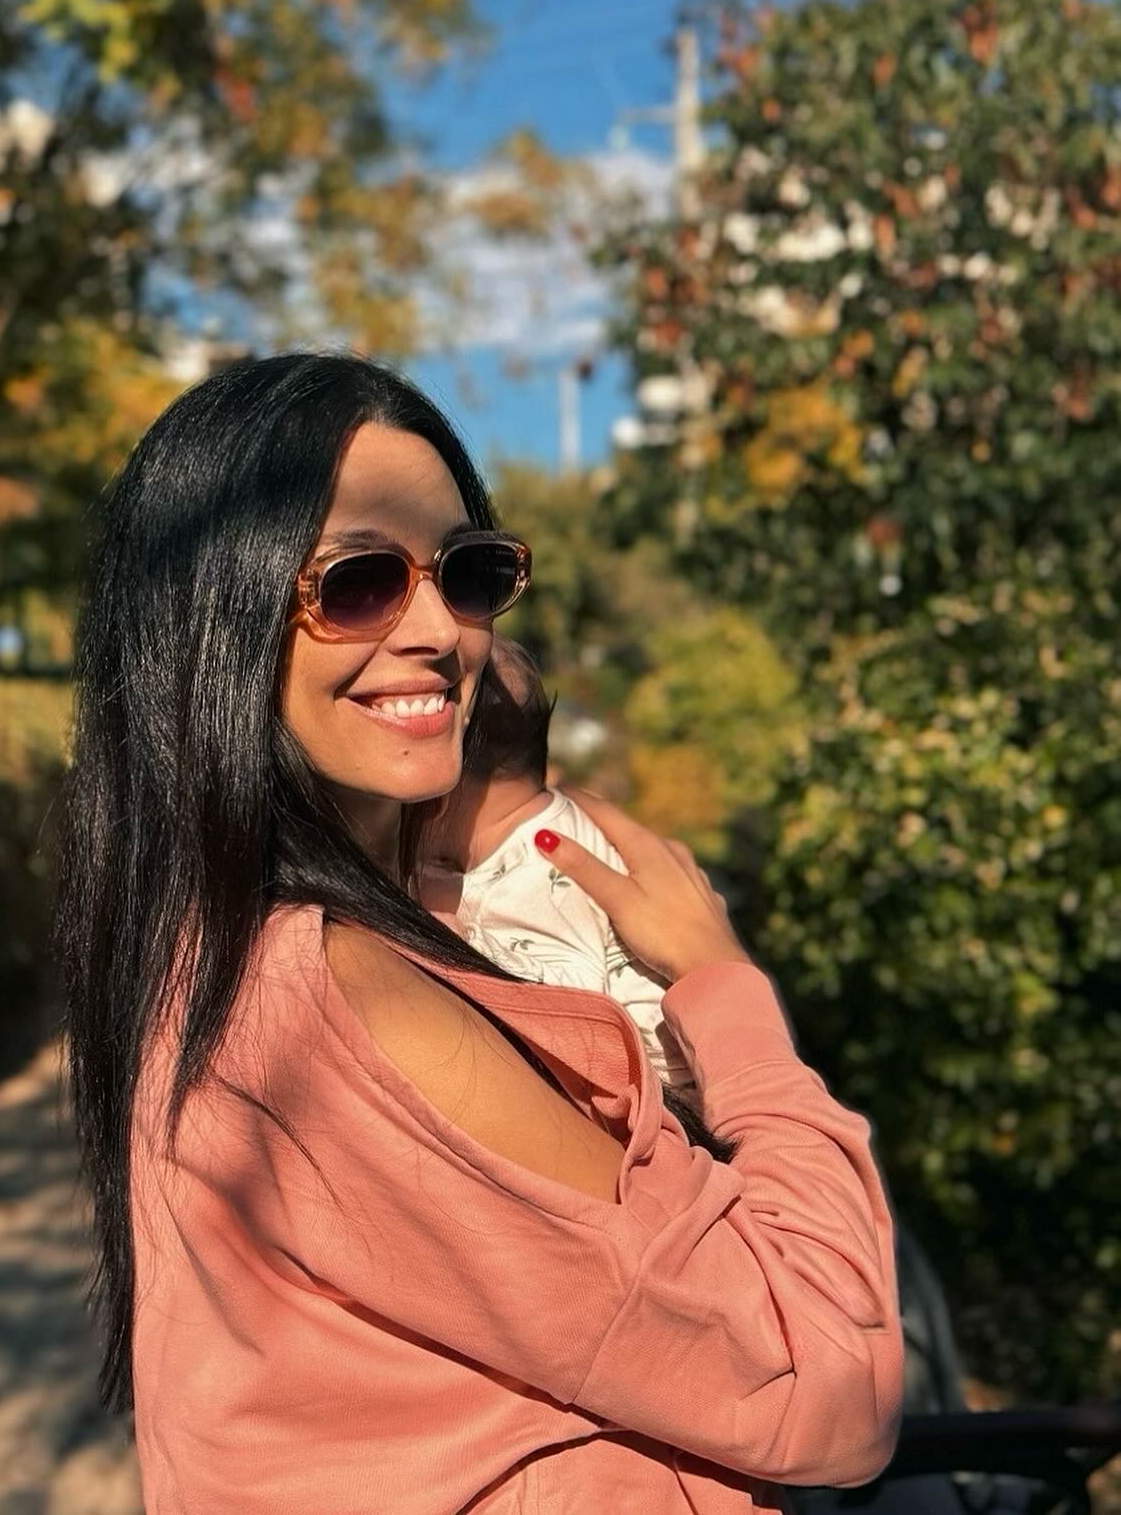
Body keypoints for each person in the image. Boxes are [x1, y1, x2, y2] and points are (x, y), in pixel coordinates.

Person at [55, 351, 904, 1514]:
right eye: (356, 583)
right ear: (214, 620)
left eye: (467, 573)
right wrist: (721, 985)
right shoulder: (343, 1003)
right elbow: (830, 1385)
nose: (439, 632)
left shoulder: (199, 949)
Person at [421, 635, 700, 1107]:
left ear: (439, 790)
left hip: (658, 1111)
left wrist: (440, 916)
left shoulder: (529, 879)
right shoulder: (564, 823)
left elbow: (573, 1007)